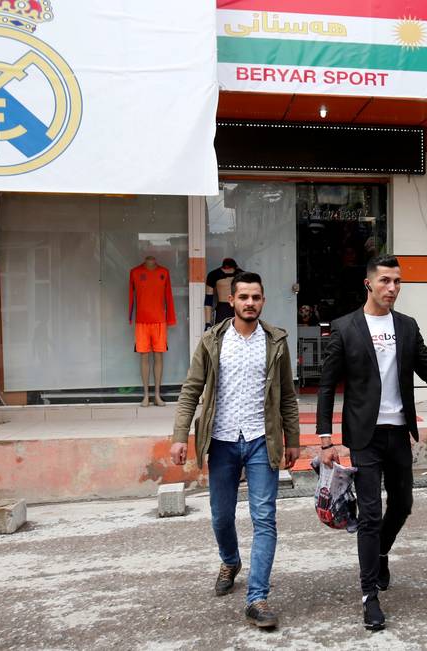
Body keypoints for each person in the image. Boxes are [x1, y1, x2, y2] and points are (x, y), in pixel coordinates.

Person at [318, 254, 427, 631]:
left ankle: (381, 552)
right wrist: (326, 438)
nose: (392, 288)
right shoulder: (345, 327)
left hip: (399, 431)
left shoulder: (406, 325)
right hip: (364, 436)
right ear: (369, 283)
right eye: (385, 280)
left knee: (402, 504)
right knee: (369, 515)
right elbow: (326, 385)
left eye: (397, 281)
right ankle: (369, 595)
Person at [170, 271, 300, 629]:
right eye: (244, 297)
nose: (250, 303)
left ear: (263, 300)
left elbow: (287, 396)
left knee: (264, 519)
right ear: (232, 301)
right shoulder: (212, 340)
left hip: (262, 439)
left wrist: (294, 439)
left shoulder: (276, 341)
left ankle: (257, 597)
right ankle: (230, 560)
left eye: (256, 297)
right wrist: (180, 435)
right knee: (221, 517)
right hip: (223, 441)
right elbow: (191, 390)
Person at [128, 255, 177, 406]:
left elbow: (168, 297)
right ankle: (145, 395)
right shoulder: (135, 272)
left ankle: (157, 394)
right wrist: (130, 316)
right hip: (142, 322)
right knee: (144, 357)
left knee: (158, 357)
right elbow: (131, 296)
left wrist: (170, 319)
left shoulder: (164, 272)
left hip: (159, 322)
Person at [205, 258, 242, 329]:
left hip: (238, 306)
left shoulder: (242, 275)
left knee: (240, 333)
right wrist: (207, 323)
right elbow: (208, 300)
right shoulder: (213, 275)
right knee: (221, 333)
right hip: (222, 308)